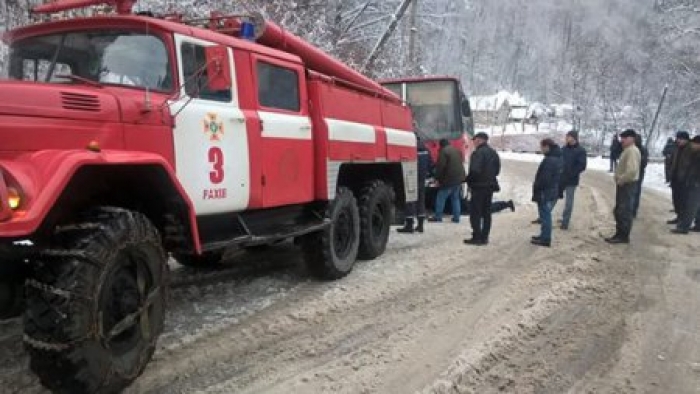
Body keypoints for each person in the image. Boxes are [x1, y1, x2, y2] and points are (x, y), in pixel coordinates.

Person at [606, 129, 641, 244]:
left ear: (631, 138)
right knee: (619, 209)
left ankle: (623, 235)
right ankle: (620, 233)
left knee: (624, 210)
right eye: (622, 138)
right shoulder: (628, 150)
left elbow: (632, 170)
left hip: (627, 184)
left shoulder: (632, 151)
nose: (622, 141)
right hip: (625, 184)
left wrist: (622, 179)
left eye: (624, 138)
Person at [465, 132, 501, 245]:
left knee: (475, 212)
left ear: (480, 140)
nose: (474, 142)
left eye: (474, 140)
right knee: (486, 212)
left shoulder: (477, 153)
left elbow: (474, 170)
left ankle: (477, 236)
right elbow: (497, 171)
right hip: (489, 186)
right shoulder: (493, 153)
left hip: (478, 186)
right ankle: (485, 237)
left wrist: (468, 180)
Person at [531, 139, 563, 247]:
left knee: (545, 215)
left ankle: (545, 238)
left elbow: (545, 178)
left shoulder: (550, 160)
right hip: (551, 190)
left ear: (547, 146)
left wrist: (537, 186)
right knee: (545, 214)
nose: (541, 150)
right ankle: (543, 235)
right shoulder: (557, 157)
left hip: (545, 191)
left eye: (542, 147)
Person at [397, 136, 432, 233]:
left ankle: (409, 224)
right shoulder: (426, 149)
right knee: (421, 199)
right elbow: (431, 163)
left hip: (410, 175)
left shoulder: (410, 148)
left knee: (410, 199)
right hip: (422, 177)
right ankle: (420, 225)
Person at [429, 139, 466, 223]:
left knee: (440, 197)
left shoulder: (443, 152)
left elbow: (440, 167)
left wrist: (436, 178)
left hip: (449, 179)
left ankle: (438, 217)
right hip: (459, 178)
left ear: (441, 145)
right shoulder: (456, 150)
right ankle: (456, 218)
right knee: (455, 198)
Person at [557, 130, 587, 230]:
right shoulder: (563, 149)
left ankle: (565, 222)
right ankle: (543, 217)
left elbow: (582, 166)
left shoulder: (581, 150)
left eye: (568, 136)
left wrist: (571, 173)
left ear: (573, 138)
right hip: (561, 178)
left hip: (571, 180)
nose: (566, 138)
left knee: (569, 202)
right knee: (553, 197)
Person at [672, 136, 700, 234]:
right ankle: (698, 225)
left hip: (696, 184)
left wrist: (694, 181)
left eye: (693, 144)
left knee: (691, 206)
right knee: (697, 206)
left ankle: (684, 227)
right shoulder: (695, 153)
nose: (691, 146)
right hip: (695, 183)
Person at [668, 131, 692, 224]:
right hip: (675, 177)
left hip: (684, 179)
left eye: (680, 139)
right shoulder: (677, 148)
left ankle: (683, 219)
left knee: (683, 200)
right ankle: (679, 216)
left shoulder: (690, 149)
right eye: (678, 138)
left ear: (686, 140)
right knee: (676, 199)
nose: (678, 140)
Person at [632, 134, 649, 218]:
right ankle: (632, 209)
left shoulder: (642, 150)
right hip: (635, 172)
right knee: (633, 192)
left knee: (636, 192)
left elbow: (644, 162)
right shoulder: (632, 149)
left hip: (639, 172)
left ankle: (634, 210)